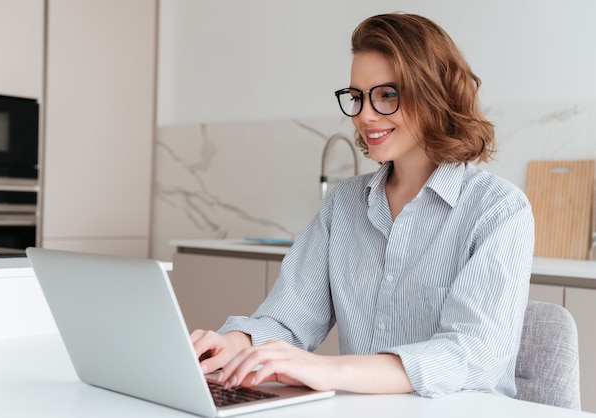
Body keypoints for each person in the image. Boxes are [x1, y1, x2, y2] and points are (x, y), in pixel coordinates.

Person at [191, 12, 534, 397]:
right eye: (356, 96)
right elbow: (287, 320)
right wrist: (236, 343)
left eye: (387, 95)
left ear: (435, 95)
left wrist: (329, 370)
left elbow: (470, 356)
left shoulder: (499, 210)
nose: (364, 115)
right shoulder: (344, 204)